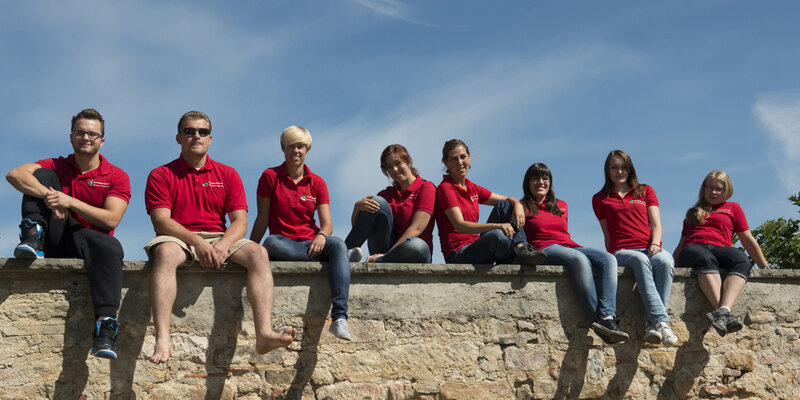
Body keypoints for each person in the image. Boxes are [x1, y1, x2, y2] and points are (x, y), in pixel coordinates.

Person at [144, 111, 296, 363]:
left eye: (202, 132)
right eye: (189, 131)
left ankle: (264, 333)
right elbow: (161, 221)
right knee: (165, 252)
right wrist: (196, 241)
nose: (196, 136)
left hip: (218, 235)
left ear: (210, 139)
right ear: (178, 137)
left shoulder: (227, 174)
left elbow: (241, 222)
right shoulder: (161, 174)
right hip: (178, 237)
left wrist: (224, 243)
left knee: (259, 252)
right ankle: (162, 337)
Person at [6, 108, 130, 359]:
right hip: (53, 234)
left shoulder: (117, 176)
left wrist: (69, 202)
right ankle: (33, 234)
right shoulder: (57, 165)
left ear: (102, 140)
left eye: (93, 134)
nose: (86, 138)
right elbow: (14, 175)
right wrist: (51, 198)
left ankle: (105, 328)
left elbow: (111, 219)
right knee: (40, 175)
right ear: (71, 136)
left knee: (110, 245)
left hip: (89, 244)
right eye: (80, 132)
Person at [250, 126, 353, 340]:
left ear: (307, 150)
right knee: (270, 243)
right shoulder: (270, 177)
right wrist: (249, 248)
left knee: (337, 244)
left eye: (301, 147)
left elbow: (327, 225)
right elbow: (262, 219)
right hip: (282, 243)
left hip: (311, 242)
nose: (296, 151)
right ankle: (337, 259)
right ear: (283, 148)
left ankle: (340, 318)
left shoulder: (317, 183)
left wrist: (321, 236)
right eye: (291, 146)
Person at [521, 163, 629, 344]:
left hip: (568, 245)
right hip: (543, 248)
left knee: (608, 259)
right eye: (535, 178)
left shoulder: (561, 205)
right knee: (579, 260)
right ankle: (596, 320)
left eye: (545, 178)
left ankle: (607, 317)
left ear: (550, 182)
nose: (541, 182)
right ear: (528, 182)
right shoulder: (521, 206)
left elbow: (563, 233)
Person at [592, 150, 677, 346]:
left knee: (665, 260)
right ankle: (660, 321)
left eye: (623, 167)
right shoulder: (600, 198)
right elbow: (607, 234)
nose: (619, 171)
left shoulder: (645, 191)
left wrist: (655, 243)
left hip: (649, 247)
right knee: (640, 260)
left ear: (630, 169)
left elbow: (657, 225)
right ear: (607, 170)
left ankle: (653, 325)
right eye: (614, 167)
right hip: (622, 251)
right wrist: (612, 256)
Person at [673, 170, 768, 336]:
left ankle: (723, 311)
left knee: (742, 260)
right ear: (704, 189)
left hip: (721, 248)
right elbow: (682, 243)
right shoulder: (693, 212)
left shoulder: (733, 208)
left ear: (727, 191)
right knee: (705, 258)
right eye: (709, 187)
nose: (713, 192)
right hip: (694, 248)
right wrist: (672, 265)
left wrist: (764, 266)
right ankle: (722, 314)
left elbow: (746, 238)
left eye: (718, 189)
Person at [433, 139, 544, 265]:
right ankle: (512, 256)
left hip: (477, 245)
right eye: (454, 159)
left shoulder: (471, 187)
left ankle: (521, 248)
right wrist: (497, 226)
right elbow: (460, 226)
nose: (460, 162)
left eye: (463, 157)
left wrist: (518, 204)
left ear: (469, 157)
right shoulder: (445, 188)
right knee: (498, 236)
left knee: (505, 206)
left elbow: (507, 200)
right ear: (446, 163)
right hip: (459, 253)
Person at [344, 144, 435, 263]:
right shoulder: (386, 195)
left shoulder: (426, 187)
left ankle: (381, 261)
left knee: (417, 244)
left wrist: (387, 255)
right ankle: (342, 254)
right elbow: (363, 228)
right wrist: (357, 208)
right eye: (389, 167)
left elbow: (417, 228)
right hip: (384, 251)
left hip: (413, 253)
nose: (395, 169)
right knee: (377, 201)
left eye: (398, 163)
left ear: (408, 161)